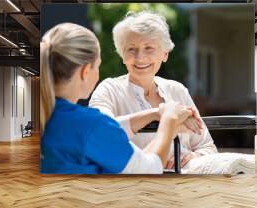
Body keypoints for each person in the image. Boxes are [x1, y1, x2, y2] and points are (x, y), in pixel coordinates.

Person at [40, 22, 201, 174]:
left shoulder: (45, 116)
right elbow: (150, 168)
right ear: (85, 71)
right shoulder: (90, 124)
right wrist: (169, 119)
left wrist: (153, 114)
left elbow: (104, 131)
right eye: (98, 66)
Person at [89, 11, 218, 171]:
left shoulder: (177, 90)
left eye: (148, 48)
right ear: (122, 55)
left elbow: (207, 147)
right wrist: (163, 115)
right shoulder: (108, 90)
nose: (140, 57)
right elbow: (99, 135)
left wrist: (193, 157)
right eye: (131, 49)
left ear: (165, 54)